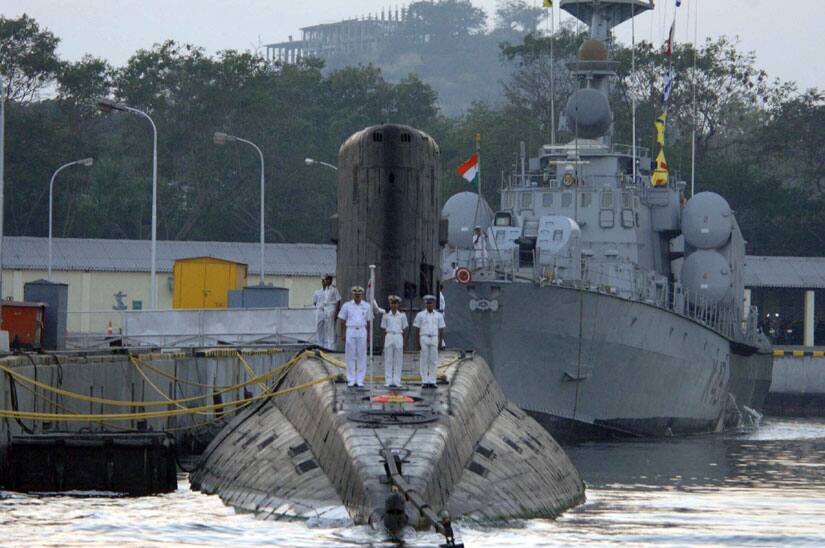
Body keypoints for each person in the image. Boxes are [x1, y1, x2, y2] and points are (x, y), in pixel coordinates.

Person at [338, 286, 373, 387]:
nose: (357, 295)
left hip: (362, 330)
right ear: (353, 294)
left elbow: (369, 321)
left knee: (362, 355)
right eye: (355, 294)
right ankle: (351, 379)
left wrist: (370, 335)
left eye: (359, 294)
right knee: (350, 355)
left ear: (361, 294)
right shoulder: (347, 306)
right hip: (351, 330)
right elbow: (342, 320)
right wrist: (342, 334)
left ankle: (360, 379)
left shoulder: (366, 306)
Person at [413, 295, 445, 389]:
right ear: (426, 304)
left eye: (431, 303)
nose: (429, 305)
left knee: (433, 360)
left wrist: (440, 342)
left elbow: (441, 329)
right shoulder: (420, 315)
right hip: (424, 337)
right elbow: (417, 329)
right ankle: (424, 381)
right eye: (428, 303)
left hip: (434, 338)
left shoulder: (438, 316)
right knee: (424, 360)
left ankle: (432, 380)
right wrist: (417, 342)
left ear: (434, 304)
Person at [380, 295, 408, 388]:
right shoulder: (386, 316)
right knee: (388, 359)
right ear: (390, 304)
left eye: (395, 303)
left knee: (398, 359)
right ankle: (388, 380)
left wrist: (404, 342)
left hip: (398, 336)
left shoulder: (402, 316)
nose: (393, 305)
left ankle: (397, 380)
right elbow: (384, 329)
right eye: (392, 303)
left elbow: (404, 329)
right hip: (389, 335)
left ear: (398, 304)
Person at [318, 274, 341, 348]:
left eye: (328, 279)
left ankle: (332, 346)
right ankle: (327, 345)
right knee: (326, 328)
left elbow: (338, 300)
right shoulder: (326, 290)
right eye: (326, 279)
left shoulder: (334, 289)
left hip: (331, 308)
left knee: (331, 328)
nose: (326, 281)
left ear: (331, 280)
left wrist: (336, 312)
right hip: (326, 309)